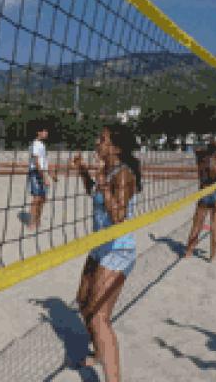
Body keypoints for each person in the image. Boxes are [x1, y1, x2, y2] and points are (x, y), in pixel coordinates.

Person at [72, 123, 142, 382]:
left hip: (119, 250)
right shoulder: (107, 170)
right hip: (100, 246)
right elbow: (94, 192)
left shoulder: (123, 175)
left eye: (101, 139)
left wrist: (103, 186)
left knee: (100, 317)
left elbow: (119, 217)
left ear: (116, 147)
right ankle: (100, 350)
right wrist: (82, 171)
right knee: (82, 301)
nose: (96, 143)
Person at [184, 141, 216, 261]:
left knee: (196, 226)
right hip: (215, 197)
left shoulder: (201, 160)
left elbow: (196, 149)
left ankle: (188, 253)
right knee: (215, 228)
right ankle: (212, 257)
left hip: (203, 194)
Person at [27, 126, 58, 231]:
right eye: (44, 131)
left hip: (42, 172)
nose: (46, 133)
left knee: (43, 199)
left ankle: (38, 220)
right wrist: (44, 177)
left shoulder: (42, 145)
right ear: (38, 132)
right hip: (36, 173)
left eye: (46, 131)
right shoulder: (35, 144)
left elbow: (44, 162)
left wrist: (51, 174)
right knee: (36, 198)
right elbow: (36, 163)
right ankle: (31, 223)